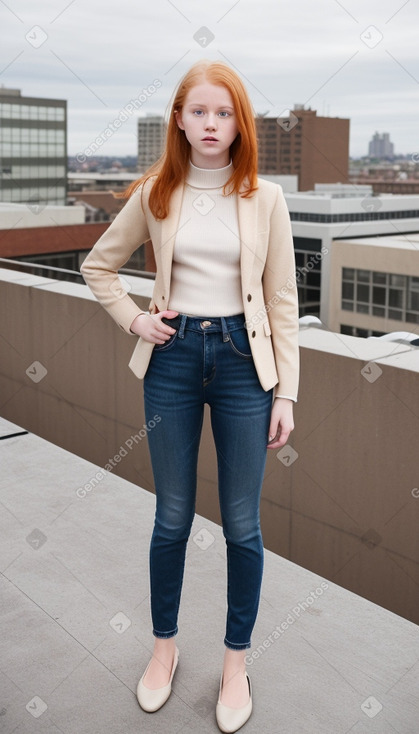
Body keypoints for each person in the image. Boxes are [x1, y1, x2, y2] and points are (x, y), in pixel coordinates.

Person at [80, 59, 299, 733]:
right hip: (173, 362)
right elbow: (98, 266)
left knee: (242, 526)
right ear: (178, 118)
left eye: (225, 112)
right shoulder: (156, 191)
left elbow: (283, 302)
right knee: (171, 518)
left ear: (241, 124)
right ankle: (164, 649)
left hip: (242, 365)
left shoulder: (265, 197)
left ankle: (236, 664)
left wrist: (285, 393)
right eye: (199, 111)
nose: (211, 124)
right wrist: (136, 319)